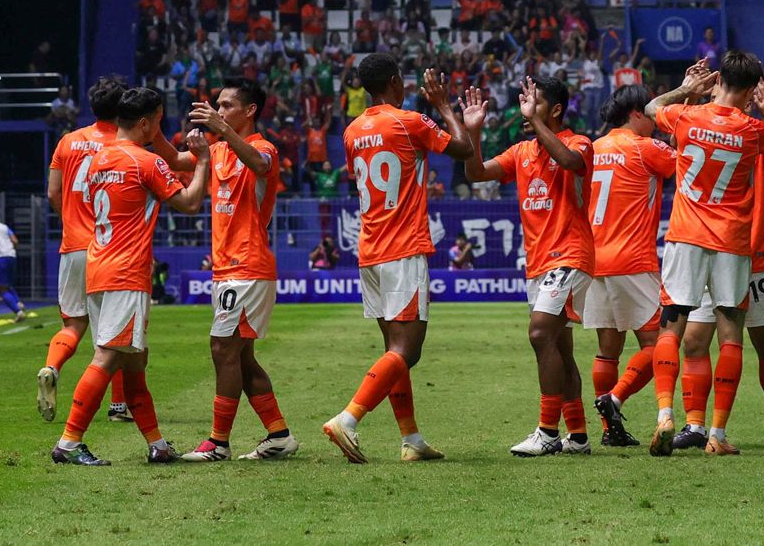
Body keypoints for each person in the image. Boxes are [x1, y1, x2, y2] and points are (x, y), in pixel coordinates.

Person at [322, 56, 474, 464]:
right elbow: (464, 149)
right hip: (403, 248)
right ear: (394, 81)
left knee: (393, 349)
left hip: (370, 249)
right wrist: (444, 106)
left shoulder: (352, 130)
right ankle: (348, 419)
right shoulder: (409, 121)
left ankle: (411, 439)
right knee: (408, 350)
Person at [645, 51, 764, 457]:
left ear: (717, 82)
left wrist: (686, 89)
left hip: (685, 238)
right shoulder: (752, 129)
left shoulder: (686, 116)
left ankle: (665, 415)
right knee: (731, 337)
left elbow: (651, 107)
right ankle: (717, 434)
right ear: (750, 92)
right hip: (731, 243)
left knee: (671, 330)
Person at [51, 87, 210, 466]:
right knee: (108, 356)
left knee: (134, 363)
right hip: (126, 271)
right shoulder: (145, 162)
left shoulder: (97, 160)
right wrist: (203, 160)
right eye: (158, 121)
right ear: (144, 123)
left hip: (97, 265)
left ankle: (157, 445)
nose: (159, 128)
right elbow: (190, 203)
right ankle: (69, 442)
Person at [153, 79, 300, 462]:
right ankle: (279, 435)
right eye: (217, 105)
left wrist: (221, 130)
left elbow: (261, 164)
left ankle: (218, 443)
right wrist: (153, 130)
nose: (218, 111)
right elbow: (176, 161)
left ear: (249, 111)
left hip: (247, 265)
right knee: (241, 357)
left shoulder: (263, 147)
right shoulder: (217, 151)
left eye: (226, 105)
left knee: (222, 349)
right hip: (228, 267)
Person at [464, 77, 596, 457]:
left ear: (555, 109)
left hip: (570, 254)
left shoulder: (579, 142)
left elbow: (570, 162)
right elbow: (476, 174)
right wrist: (474, 133)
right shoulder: (521, 151)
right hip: (538, 263)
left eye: (533, 102)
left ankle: (547, 432)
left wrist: (536, 124)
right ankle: (578, 436)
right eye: (523, 101)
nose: (524, 109)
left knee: (539, 334)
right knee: (559, 347)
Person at [584, 85, 677, 448]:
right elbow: (690, 161)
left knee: (607, 349)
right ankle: (615, 397)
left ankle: (611, 431)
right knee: (659, 343)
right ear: (636, 113)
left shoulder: (593, 148)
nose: (655, 121)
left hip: (595, 260)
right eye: (650, 114)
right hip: (633, 259)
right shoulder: (644, 147)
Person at [41, 77, 131, 424]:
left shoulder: (68, 141)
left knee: (73, 324)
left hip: (73, 247)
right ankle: (118, 405)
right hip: (109, 248)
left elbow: (53, 193)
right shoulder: (123, 145)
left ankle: (52, 367)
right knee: (115, 332)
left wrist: (70, 220)